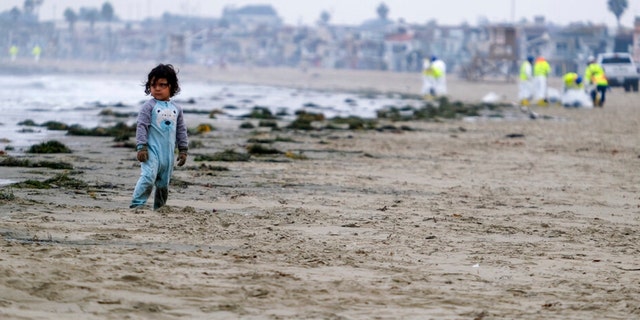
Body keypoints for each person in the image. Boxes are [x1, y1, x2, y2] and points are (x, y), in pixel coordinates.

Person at [130, 64, 189, 210]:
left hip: (168, 153)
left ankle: (160, 208)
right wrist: (141, 146)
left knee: (163, 183)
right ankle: (137, 205)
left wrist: (183, 149)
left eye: (162, 85)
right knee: (148, 177)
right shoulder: (148, 107)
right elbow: (141, 126)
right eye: (153, 85)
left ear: (172, 86)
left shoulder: (177, 109)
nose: (157, 88)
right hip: (151, 151)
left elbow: (181, 129)